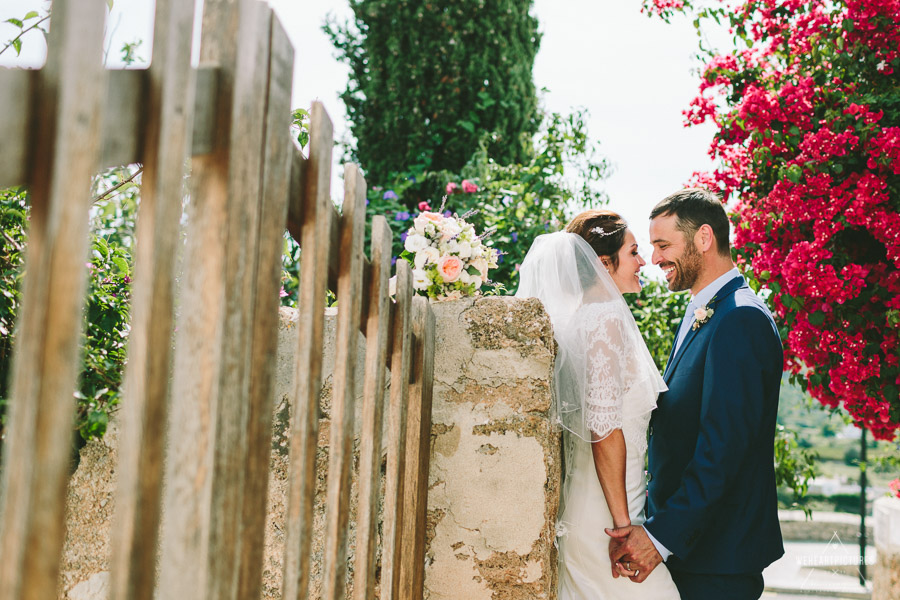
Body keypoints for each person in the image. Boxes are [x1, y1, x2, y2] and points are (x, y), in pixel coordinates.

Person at [605, 189, 784, 600]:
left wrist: (661, 538)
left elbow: (723, 450)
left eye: (664, 245)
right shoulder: (707, 311)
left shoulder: (740, 318)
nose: (654, 259)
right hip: (695, 555)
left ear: (704, 238)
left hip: (716, 561)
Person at [516, 210, 681, 599]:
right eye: (634, 252)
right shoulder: (604, 319)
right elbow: (603, 427)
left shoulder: (580, 320)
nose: (644, 262)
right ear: (604, 264)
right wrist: (624, 526)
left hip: (599, 503)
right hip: (608, 517)